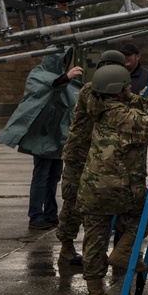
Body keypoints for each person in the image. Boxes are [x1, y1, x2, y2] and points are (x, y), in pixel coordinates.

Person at [76, 64, 148, 295]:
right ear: (117, 90)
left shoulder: (97, 103)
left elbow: (139, 102)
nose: (130, 89)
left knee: (94, 241)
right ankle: (124, 251)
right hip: (119, 187)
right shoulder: (123, 117)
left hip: (91, 188)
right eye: (126, 86)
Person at [0, 46, 82, 231]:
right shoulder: (38, 74)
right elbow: (48, 87)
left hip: (57, 136)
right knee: (41, 176)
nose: (64, 65)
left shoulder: (61, 78)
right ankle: (36, 215)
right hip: (43, 135)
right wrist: (66, 77)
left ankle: (50, 214)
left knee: (54, 177)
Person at [55, 49, 127, 269]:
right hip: (79, 157)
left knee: (102, 203)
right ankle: (66, 249)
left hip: (99, 158)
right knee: (73, 204)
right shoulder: (90, 91)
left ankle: (107, 249)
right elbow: (101, 110)